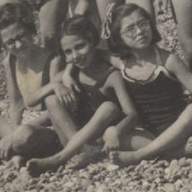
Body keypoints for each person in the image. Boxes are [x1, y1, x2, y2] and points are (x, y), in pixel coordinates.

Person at [0, 2, 75, 163]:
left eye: (21, 37)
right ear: (2, 45)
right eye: (10, 42)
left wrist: (14, 135)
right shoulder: (10, 61)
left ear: (30, 32)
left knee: (23, 134)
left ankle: (7, 150)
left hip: (48, 128)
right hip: (21, 125)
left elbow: (56, 110)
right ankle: (7, 152)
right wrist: (12, 132)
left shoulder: (52, 62)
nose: (17, 45)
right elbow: (16, 104)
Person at [91, 4, 192, 165]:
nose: (139, 32)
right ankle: (175, 152)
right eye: (130, 29)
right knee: (111, 133)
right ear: (119, 37)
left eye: (143, 24)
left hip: (178, 128)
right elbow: (93, 51)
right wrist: (68, 72)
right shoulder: (122, 63)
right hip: (147, 133)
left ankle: (140, 155)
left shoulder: (168, 60)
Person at [26, 16, 128, 176]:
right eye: (68, 52)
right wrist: (54, 85)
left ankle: (59, 158)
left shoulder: (110, 74)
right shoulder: (71, 74)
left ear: (92, 40)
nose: (75, 55)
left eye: (80, 46)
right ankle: (82, 150)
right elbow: (29, 102)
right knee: (50, 99)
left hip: (102, 139)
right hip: (73, 139)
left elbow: (128, 110)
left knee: (108, 108)